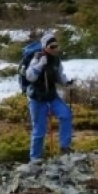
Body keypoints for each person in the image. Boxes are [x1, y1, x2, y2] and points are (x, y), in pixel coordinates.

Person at [25, 33, 74, 162]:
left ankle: (64, 147)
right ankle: (35, 158)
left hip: (51, 96)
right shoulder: (37, 58)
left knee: (66, 114)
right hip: (37, 98)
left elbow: (59, 75)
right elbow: (29, 76)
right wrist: (40, 65)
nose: (55, 48)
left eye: (56, 46)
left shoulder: (56, 60)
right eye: (52, 46)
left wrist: (66, 82)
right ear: (45, 47)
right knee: (39, 129)